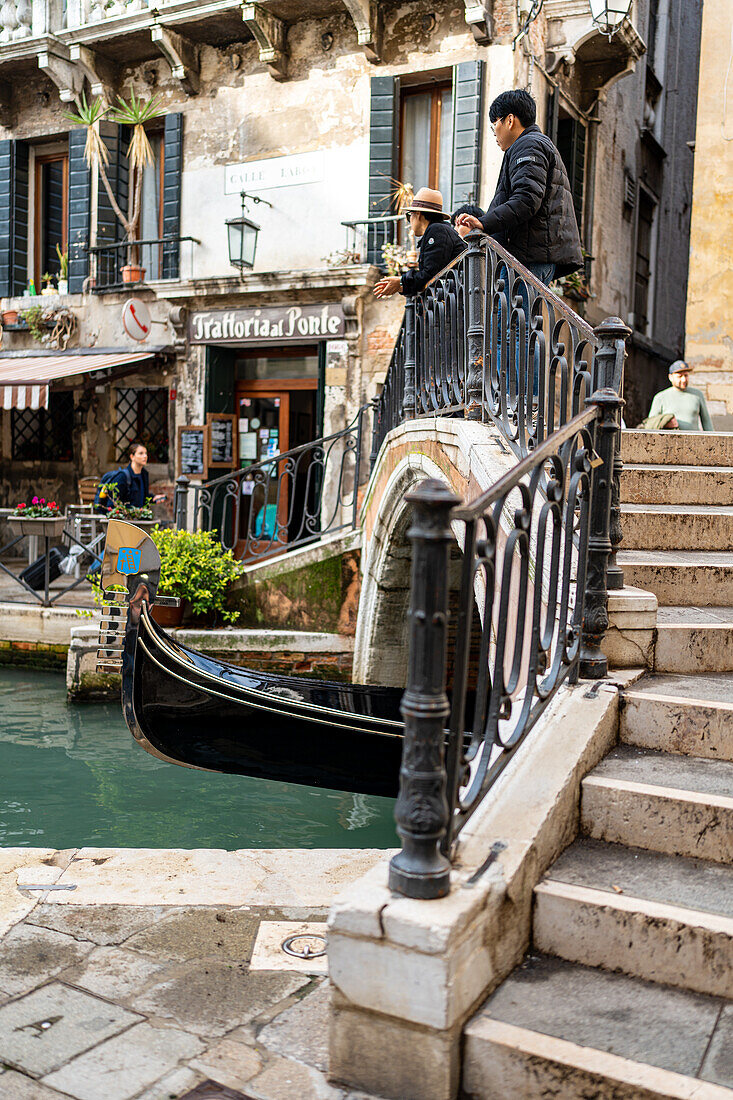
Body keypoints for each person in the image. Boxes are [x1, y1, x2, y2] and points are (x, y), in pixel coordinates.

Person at [456, 88, 583, 285]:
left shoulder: (529, 145)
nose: (495, 133)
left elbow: (526, 199)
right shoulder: (530, 144)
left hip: (527, 259)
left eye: (494, 125)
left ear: (509, 120)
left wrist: (484, 223)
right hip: (529, 256)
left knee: (512, 316)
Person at [373, 188, 466, 299]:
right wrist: (400, 286)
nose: (409, 221)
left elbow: (430, 273)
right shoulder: (438, 230)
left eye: (409, 215)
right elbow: (428, 275)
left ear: (418, 214)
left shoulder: (437, 230)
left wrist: (401, 281)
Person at [97, 441, 166, 513]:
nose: (145, 456)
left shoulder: (144, 475)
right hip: (124, 519)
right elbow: (113, 503)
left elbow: (142, 497)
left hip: (138, 518)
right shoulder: (122, 477)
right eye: (141, 453)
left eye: (146, 453)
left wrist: (153, 498)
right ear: (132, 457)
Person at [646, 362, 713, 431]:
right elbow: (650, 425)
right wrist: (666, 422)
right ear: (670, 377)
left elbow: (706, 422)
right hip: (669, 440)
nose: (683, 380)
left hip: (694, 440)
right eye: (679, 376)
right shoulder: (660, 397)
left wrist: (712, 439)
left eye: (686, 375)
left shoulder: (697, 395)